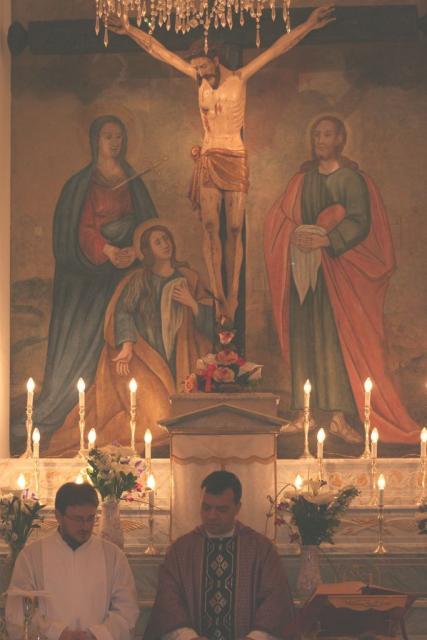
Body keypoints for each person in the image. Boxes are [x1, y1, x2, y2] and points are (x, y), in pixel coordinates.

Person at [109, 7, 334, 320]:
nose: (200, 73)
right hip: (210, 157)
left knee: (235, 227)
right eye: (197, 68)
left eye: (203, 66)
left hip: (235, 156)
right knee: (211, 226)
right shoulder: (198, 79)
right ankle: (217, 295)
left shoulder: (239, 79)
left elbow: (277, 49)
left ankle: (233, 294)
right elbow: (161, 53)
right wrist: (130, 30)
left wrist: (308, 25)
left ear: (215, 59)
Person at [264, 115, 419, 445]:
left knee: (335, 342)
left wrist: (327, 239)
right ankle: (304, 412)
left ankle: (337, 416)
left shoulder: (351, 179)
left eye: (327, 135)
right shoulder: (302, 180)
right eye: (316, 135)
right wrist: (296, 234)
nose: (321, 140)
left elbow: (360, 222)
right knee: (304, 337)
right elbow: (283, 217)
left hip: (339, 274)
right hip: (304, 272)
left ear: (339, 140)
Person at [14, 115, 158, 451]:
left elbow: (148, 226)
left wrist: (134, 250)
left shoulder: (134, 183)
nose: (115, 143)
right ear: (95, 140)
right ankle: (67, 410)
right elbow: (77, 231)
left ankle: (118, 414)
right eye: (109, 136)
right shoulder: (81, 185)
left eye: (119, 136)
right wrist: (108, 250)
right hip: (88, 280)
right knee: (83, 342)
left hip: (125, 274)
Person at [46, 220, 213, 454]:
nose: (165, 244)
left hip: (181, 357)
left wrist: (192, 303)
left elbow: (214, 320)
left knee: (180, 415)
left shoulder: (189, 279)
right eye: (157, 242)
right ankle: (104, 447)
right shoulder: (139, 279)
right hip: (146, 358)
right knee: (156, 418)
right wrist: (126, 345)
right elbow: (123, 311)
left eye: (166, 239)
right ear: (147, 250)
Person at [144, 470, 298, 640]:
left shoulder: (261, 549)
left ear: (238, 508)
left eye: (221, 509)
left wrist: (255, 637)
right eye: (206, 507)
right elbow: (168, 600)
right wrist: (188, 636)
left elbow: (275, 601)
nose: (212, 516)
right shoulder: (181, 550)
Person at [6, 482, 139, 640]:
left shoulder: (113, 556)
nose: (85, 526)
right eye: (78, 519)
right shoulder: (31, 556)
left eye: (90, 518)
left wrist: (96, 635)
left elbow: (127, 611)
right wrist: (57, 633)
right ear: (58, 515)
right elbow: (18, 610)